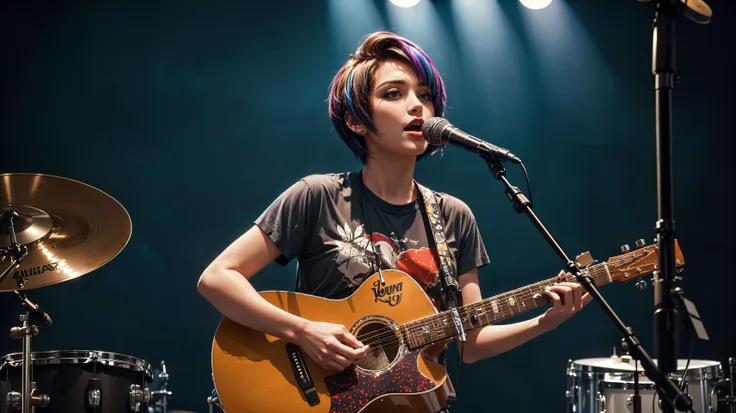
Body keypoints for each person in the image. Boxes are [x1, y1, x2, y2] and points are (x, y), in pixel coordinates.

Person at [197, 30, 591, 408]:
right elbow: (217, 278)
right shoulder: (317, 196)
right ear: (355, 120)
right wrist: (301, 330)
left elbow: (471, 343)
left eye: (424, 95)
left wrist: (546, 321)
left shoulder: (453, 216)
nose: (417, 105)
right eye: (393, 94)